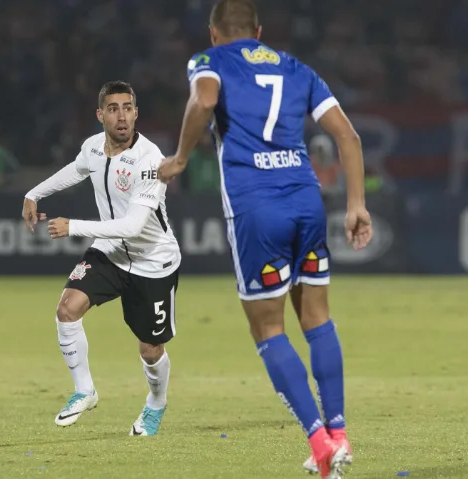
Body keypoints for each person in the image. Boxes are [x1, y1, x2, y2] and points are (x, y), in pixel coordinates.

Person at [157, 1, 372, 477]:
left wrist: (179, 157)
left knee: (267, 329)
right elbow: (349, 137)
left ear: (214, 33)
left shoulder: (209, 62)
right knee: (318, 320)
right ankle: (339, 434)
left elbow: (205, 100)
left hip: (257, 208)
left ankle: (320, 444)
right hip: (306, 201)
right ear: (258, 31)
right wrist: (356, 204)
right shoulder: (298, 69)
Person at [22, 81, 181, 436]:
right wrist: (34, 193)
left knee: (150, 349)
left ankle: (156, 404)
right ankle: (84, 391)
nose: (122, 116)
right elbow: (76, 170)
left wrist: (72, 226)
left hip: (152, 261)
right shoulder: (93, 148)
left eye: (128, 107)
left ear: (136, 113)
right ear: (100, 115)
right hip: (110, 253)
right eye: (113, 108)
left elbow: (134, 225)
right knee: (67, 309)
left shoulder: (150, 160)